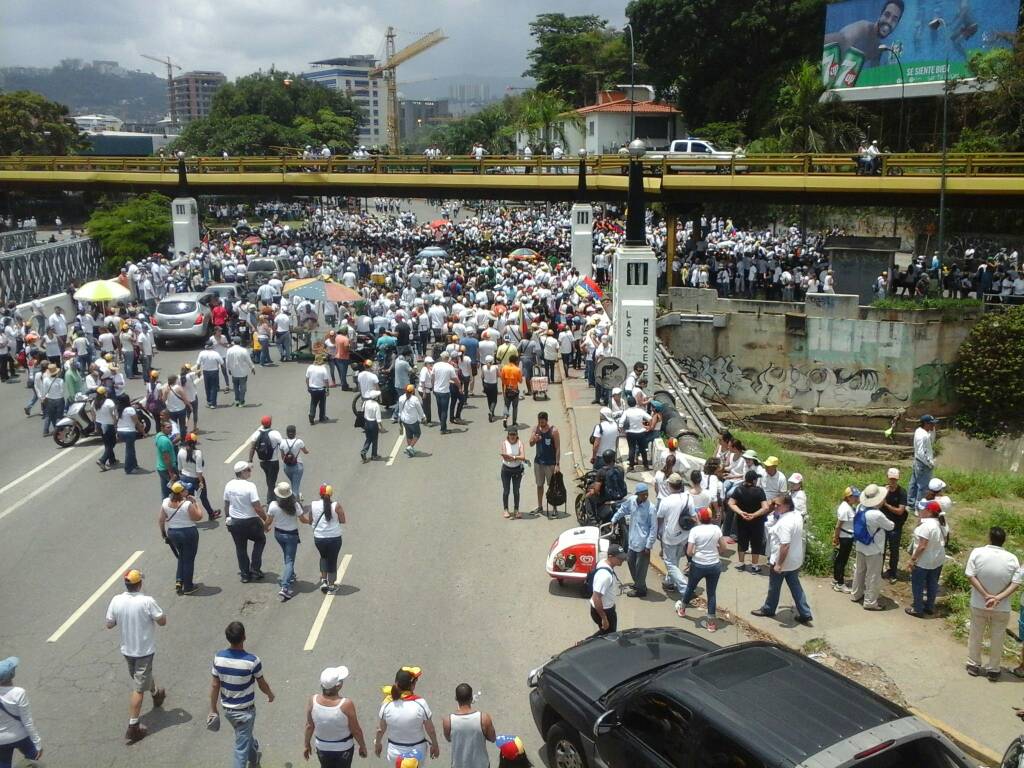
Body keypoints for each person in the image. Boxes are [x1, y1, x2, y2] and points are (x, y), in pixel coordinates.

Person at [104, 569, 167, 744]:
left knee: (141, 676)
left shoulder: (116, 600)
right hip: (144, 651)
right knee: (138, 688)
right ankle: (133, 726)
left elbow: (109, 624)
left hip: (127, 650)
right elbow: (162, 621)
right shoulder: (147, 601)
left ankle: (156, 693)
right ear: (139, 584)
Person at [209, 621, 275, 768]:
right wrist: (270, 694)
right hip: (245, 712)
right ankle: (250, 758)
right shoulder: (252, 661)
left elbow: (215, 685)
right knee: (240, 749)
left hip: (228, 711)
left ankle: (254, 757)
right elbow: (262, 683)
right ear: (244, 637)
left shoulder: (218, 658)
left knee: (243, 736)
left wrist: (213, 709)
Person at [965, 527, 1021, 680]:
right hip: (1001, 607)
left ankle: (974, 665)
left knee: (976, 633)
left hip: (979, 603)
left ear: (989, 538)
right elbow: (1016, 582)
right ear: (1004, 540)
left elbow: (970, 575)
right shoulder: (1012, 558)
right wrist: (997, 598)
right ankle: (994, 669)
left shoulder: (977, 552)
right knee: (998, 637)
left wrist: (986, 595)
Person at [752, 495, 813, 625]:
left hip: (782, 561)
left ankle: (768, 609)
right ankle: (805, 612)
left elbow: (784, 545)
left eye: (778, 505)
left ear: (786, 506)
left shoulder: (785, 523)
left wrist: (779, 564)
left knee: (774, 587)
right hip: (795, 560)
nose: (775, 507)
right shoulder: (796, 515)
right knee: (796, 587)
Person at [303, 666, 368, 767]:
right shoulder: (346, 704)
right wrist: (362, 746)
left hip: (322, 748)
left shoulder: (313, 700)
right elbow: (355, 730)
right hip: (343, 749)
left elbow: (309, 726)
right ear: (338, 686)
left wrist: (306, 745)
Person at [676, 507, 729, 631]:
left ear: (699, 517)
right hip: (714, 565)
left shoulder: (695, 530)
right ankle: (711, 623)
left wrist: (696, 554)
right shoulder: (716, 529)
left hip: (698, 565)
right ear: (710, 518)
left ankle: (682, 609)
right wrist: (715, 552)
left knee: (690, 587)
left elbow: (689, 551)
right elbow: (724, 547)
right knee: (711, 593)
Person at [375, 668, 440, 763]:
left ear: (396, 683)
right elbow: (431, 730)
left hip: (394, 754)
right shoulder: (420, 703)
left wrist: (377, 744)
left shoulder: (387, 704)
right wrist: (435, 745)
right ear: (412, 686)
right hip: (417, 753)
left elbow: (380, 730)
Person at [850, 483, 895, 611]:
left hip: (860, 545)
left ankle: (855, 594)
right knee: (873, 575)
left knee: (859, 571)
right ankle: (870, 602)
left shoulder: (860, 507)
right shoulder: (877, 515)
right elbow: (890, 526)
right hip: (874, 549)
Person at [223, 461, 268, 583]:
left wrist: (227, 518)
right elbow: (257, 507)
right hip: (251, 521)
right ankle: (255, 569)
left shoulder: (229, 485)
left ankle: (244, 574)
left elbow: (226, 504)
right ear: (242, 472)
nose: (250, 472)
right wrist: (266, 520)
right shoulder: (250, 486)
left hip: (235, 522)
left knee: (240, 548)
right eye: (248, 470)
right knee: (260, 540)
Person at [611, 484, 658, 598]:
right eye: (643, 495)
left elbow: (653, 528)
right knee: (631, 562)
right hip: (632, 541)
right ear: (637, 495)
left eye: (647, 494)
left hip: (643, 544)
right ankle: (639, 584)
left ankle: (640, 590)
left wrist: (649, 545)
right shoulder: (632, 501)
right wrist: (614, 519)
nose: (645, 496)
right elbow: (623, 509)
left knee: (641, 568)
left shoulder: (651, 508)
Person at [266, 480, 310, 601]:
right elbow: (302, 520)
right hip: (291, 535)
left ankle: (290, 574)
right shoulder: (295, 505)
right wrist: (311, 521)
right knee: (290, 560)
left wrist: (265, 527)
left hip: (279, 534)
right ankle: (285, 587)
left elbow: (269, 521)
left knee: (287, 555)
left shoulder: (273, 505)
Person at [159, 480, 203, 595]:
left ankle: (179, 580)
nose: (187, 491)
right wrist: (196, 503)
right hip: (188, 533)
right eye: (185, 490)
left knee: (182, 556)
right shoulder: (187, 504)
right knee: (188, 559)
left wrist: (164, 534)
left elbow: (161, 520)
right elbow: (198, 517)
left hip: (173, 533)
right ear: (181, 493)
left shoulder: (165, 502)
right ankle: (188, 587)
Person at [905, 501, 949, 618]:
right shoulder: (941, 524)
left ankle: (918, 609)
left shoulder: (926, 526)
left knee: (918, 585)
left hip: (924, 561)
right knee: (932, 584)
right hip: (937, 560)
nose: (921, 511)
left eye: (923, 509)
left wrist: (912, 560)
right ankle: (929, 607)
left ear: (929, 512)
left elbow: (922, 546)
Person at [0, 657, 42, 766]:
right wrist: (38, 744)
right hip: (21, 736)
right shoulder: (18, 693)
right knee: (33, 756)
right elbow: (27, 721)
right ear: (12, 674)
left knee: (3, 763)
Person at [442, 683, 496, 768]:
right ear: (471, 698)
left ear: (456, 698)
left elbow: (449, 739)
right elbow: (493, 738)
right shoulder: (484, 718)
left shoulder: (448, 721)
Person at [728, 470, 769, 573]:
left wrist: (741, 512)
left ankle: (741, 564)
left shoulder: (738, 490)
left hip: (742, 520)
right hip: (757, 522)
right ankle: (755, 566)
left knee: (742, 541)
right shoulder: (759, 491)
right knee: (756, 542)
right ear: (754, 480)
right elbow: (765, 508)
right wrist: (754, 515)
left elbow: (731, 503)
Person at [657, 473, 692, 594]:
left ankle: (684, 587)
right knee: (675, 558)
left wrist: (658, 532)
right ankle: (669, 582)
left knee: (669, 562)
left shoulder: (666, 501)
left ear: (670, 485)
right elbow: (693, 515)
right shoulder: (688, 497)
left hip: (670, 536)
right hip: (685, 534)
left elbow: (660, 518)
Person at [311, 484, 347, 594]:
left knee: (323, 557)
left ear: (320, 494)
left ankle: (324, 581)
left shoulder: (313, 505)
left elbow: (309, 520)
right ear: (331, 494)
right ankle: (331, 585)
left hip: (319, 538)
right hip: (334, 538)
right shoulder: (336, 505)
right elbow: (342, 520)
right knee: (332, 560)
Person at [178, 433, 220, 520]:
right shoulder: (197, 453)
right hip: (196, 479)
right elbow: (199, 471)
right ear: (195, 442)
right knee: (203, 498)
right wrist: (201, 482)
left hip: (185, 478)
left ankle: (189, 517)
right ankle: (211, 514)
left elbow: (179, 468)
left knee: (188, 499)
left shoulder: (180, 452)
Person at [590, 544, 626, 637]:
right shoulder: (604, 576)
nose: (622, 560)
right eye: (619, 558)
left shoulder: (603, 562)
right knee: (609, 635)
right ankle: (583, 644)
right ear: (610, 557)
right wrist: (604, 618)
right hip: (604, 611)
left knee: (606, 634)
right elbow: (596, 597)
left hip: (606, 608)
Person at [529, 412, 560, 517]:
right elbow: (530, 443)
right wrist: (534, 439)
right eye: (539, 421)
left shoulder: (553, 431)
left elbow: (558, 448)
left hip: (550, 464)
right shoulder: (536, 429)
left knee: (552, 487)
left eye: (542, 421)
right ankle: (540, 506)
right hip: (538, 463)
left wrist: (557, 464)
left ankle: (554, 508)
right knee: (539, 485)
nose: (541, 423)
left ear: (547, 420)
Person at [880, 467, 908, 583]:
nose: (893, 482)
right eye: (891, 479)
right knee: (880, 548)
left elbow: (900, 511)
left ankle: (893, 573)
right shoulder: (882, 490)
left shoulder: (902, 492)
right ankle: (878, 570)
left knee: (894, 549)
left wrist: (886, 505)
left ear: (898, 479)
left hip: (895, 525)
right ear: (887, 478)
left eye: (895, 479)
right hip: (882, 524)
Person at [248, 415, 283, 500]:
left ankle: (272, 496)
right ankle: (270, 501)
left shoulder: (256, 434)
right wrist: (284, 457)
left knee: (269, 479)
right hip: (273, 462)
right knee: (272, 482)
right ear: (270, 423)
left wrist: (250, 460)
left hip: (263, 462)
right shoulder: (275, 433)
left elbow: (252, 448)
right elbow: (282, 446)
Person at [832, 486, 859, 591]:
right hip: (845, 537)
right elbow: (838, 525)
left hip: (847, 536)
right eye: (855, 496)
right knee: (842, 560)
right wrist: (836, 537)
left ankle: (836, 578)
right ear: (848, 497)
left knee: (840, 559)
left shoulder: (849, 506)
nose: (857, 498)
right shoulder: (845, 509)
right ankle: (840, 583)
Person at [907, 415, 936, 512]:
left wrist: (932, 430)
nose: (934, 426)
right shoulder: (923, 435)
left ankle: (910, 505)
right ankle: (919, 508)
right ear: (926, 424)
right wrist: (929, 463)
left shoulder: (919, 431)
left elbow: (931, 439)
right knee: (923, 487)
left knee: (914, 484)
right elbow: (921, 452)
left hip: (918, 461)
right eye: (932, 424)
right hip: (923, 463)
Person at [499, 426, 527, 519]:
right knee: (506, 491)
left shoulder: (520, 444)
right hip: (506, 470)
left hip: (517, 470)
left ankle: (516, 510)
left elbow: (523, 456)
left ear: (517, 435)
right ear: (508, 435)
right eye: (510, 434)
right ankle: (506, 509)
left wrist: (514, 458)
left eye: (514, 434)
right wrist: (513, 457)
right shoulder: (504, 443)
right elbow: (504, 456)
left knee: (516, 491)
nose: (512, 436)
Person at [115, 393, 144, 474]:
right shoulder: (130, 409)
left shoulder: (118, 409)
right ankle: (128, 468)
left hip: (120, 431)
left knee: (131, 448)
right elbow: (137, 422)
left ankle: (134, 464)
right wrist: (143, 432)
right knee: (129, 450)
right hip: (129, 432)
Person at [279, 424, 310, 496]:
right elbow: (305, 452)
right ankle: (294, 504)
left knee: (294, 483)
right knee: (295, 488)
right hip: (297, 467)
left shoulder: (283, 442)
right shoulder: (299, 442)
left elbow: (282, 457)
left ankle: (297, 499)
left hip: (287, 468)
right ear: (295, 433)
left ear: (286, 433)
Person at [397, 385, 426, 457]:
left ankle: (410, 450)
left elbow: (400, 409)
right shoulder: (414, 399)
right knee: (417, 434)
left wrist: (399, 417)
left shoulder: (401, 398)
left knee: (409, 434)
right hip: (413, 420)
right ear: (413, 391)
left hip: (404, 420)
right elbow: (420, 409)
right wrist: (423, 417)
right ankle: (409, 447)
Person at [154, 418, 178, 501]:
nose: (170, 429)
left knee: (165, 491)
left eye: (171, 427)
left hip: (161, 468)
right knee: (176, 490)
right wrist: (171, 473)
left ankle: (165, 507)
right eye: (168, 427)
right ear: (162, 428)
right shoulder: (164, 441)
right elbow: (166, 458)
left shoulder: (159, 436)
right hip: (167, 469)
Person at [95, 385, 118, 470]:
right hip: (108, 424)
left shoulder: (95, 402)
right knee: (112, 443)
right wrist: (115, 424)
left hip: (99, 424)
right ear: (104, 393)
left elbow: (93, 412)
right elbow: (114, 414)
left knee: (107, 443)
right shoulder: (109, 402)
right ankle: (102, 460)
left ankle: (112, 460)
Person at [226, 339, 255, 407]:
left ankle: (237, 400)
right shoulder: (244, 350)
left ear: (233, 342)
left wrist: (229, 369)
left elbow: (227, 361)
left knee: (235, 387)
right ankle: (241, 401)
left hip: (234, 372)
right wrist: (252, 368)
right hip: (243, 373)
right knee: (243, 388)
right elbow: (248, 360)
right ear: (240, 342)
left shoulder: (229, 350)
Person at [307, 353, 331, 424]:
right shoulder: (323, 368)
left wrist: (308, 387)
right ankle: (322, 417)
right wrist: (327, 390)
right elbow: (326, 381)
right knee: (322, 403)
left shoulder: (310, 367)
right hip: (321, 389)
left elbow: (307, 378)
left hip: (312, 389)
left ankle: (311, 415)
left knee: (313, 403)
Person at [499, 354, 522, 429]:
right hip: (515, 390)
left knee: (506, 405)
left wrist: (506, 384)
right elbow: (520, 381)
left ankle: (505, 417)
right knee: (515, 407)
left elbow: (502, 378)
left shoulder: (504, 368)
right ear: (516, 361)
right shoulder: (517, 369)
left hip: (507, 390)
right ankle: (514, 422)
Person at [360, 390, 383, 462]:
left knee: (368, 438)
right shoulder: (376, 405)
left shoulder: (366, 402)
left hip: (366, 423)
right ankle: (374, 455)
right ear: (376, 398)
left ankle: (364, 451)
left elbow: (362, 410)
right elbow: (378, 418)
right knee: (374, 440)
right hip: (373, 424)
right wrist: (381, 427)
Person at [480, 355, 500, 422]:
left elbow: (482, 376)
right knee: (494, 400)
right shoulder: (495, 367)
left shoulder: (483, 367)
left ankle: (491, 412)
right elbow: (498, 375)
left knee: (489, 399)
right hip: (493, 384)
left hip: (486, 384)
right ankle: (491, 411)